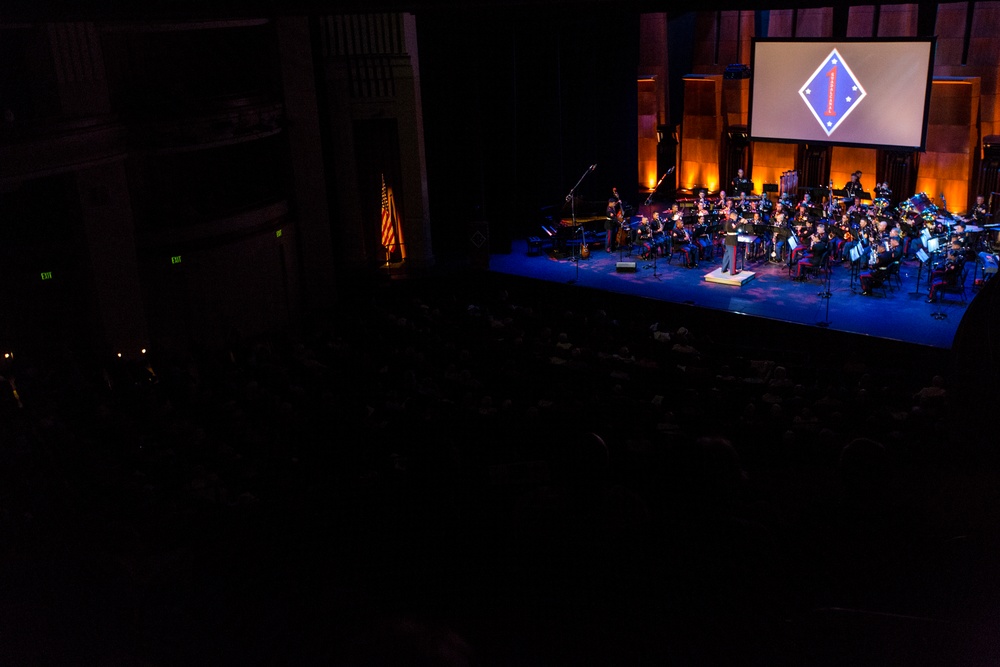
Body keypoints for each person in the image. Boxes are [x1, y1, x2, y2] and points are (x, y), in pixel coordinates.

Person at [721, 210, 740, 276]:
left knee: (727, 255)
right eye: (736, 216)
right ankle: (732, 271)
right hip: (732, 241)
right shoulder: (731, 222)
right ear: (733, 216)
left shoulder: (729, 221)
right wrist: (741, 222)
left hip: (728, 240)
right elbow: (734, 229)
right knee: (732, 256)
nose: (737, 217)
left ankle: (724, 269)